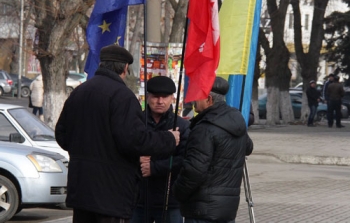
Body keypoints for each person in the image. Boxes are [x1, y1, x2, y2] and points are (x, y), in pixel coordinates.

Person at [55, 44, 180, 223]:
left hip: (81, 189)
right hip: (111, 192)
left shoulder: (79, 92)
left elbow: (62, 135)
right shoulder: (122, 96)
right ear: (125, 68)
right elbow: (134, 140)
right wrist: (169, 139)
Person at [173, 76, 254, 223]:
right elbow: (248, 147)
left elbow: (193, 171)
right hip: (226, 209)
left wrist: (177, 192)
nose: (193, 99)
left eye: (197, 95)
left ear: (209, 99)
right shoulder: (235, 119)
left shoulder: (204, 128)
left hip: (202, 210)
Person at [131, 76, 190, 223]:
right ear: (148, 97)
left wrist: (154, 167)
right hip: (138, 199)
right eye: (156, 97)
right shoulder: (136, 122)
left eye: (165, 97)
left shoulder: (181, 126)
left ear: (172, 99)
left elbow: (186, 159)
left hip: (170, 200)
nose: (160, 101)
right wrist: (136, 159)